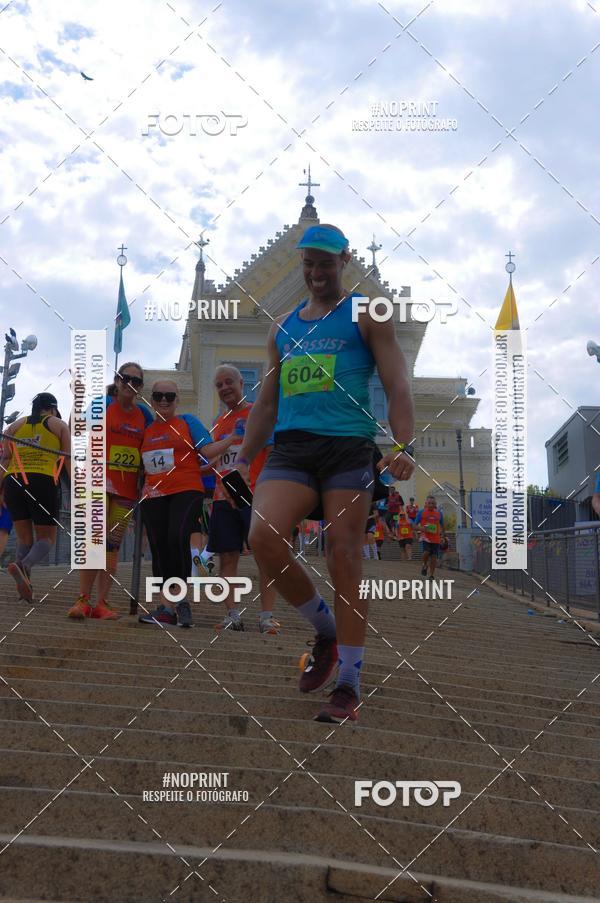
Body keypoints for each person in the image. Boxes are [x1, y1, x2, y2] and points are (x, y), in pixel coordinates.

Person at [235, 222, 415, 722]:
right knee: (263, 538)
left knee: (343, 554)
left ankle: (350, 683)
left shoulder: (368, 312)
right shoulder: (282, 327)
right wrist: (241, 456)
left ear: (345, 261)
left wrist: (403, 445)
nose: (316, 271)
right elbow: (266, 403)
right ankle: (327, 629)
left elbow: (398, 385)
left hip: (347, 449)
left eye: (326, 262)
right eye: (309, 262)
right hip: (292, 449)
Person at [138, 379, 234, 628]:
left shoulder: (187, 422)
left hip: (186, 489)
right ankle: (169, 607)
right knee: (159, 548)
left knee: (176, 538)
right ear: (152, 398)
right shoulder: (146, 428)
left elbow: (209, 449)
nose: (164, 401)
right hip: (154, 495)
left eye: (170, 396)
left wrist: (234, 438)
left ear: (177, 400)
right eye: (158, 396)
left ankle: (175, 602)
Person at [68, 363, 153, 620]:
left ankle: (101, 603)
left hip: (126, 491)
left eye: (136, 381)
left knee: (111, 546)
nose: (130, 384)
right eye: (126, 378)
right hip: (97, 484)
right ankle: (83, 599)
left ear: (140, 387)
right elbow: (76, 429)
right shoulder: (103, 404)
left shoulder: (144, 416)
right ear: (117, 381)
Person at [208, 364, 279, 634]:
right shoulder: (217, 423)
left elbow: (272, 450)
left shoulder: (257, 413)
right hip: (222, 495)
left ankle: (267, 616)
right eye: (219, 385)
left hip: (254, 493)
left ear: (241, 383)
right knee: (227, 557)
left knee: (265, 556)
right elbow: (214, 459)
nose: (225, 388)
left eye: (229, 382)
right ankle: (232, 615)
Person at [0, 393, 71, 601]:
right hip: (43, 480)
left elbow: (4, 460)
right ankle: (23, 565)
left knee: (24, 539)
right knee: (47, 538)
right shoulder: (58, 424)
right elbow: (67, 461)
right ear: (52, 408)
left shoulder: (13, 427)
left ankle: (26, 586)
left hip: (13, 481)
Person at [416, 495, 444, 579]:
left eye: (433, 503)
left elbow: (442, 525)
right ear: (426, 504)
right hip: (426, 537)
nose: (431, 505)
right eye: (429, 503)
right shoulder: (421, 512)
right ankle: (424, 564)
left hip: (436, 538)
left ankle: (431, 575)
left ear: (435, 504)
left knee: (434, 557)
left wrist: (443, 535)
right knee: (426, 552)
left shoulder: (439, 513)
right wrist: (421, 528)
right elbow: (414, 525)